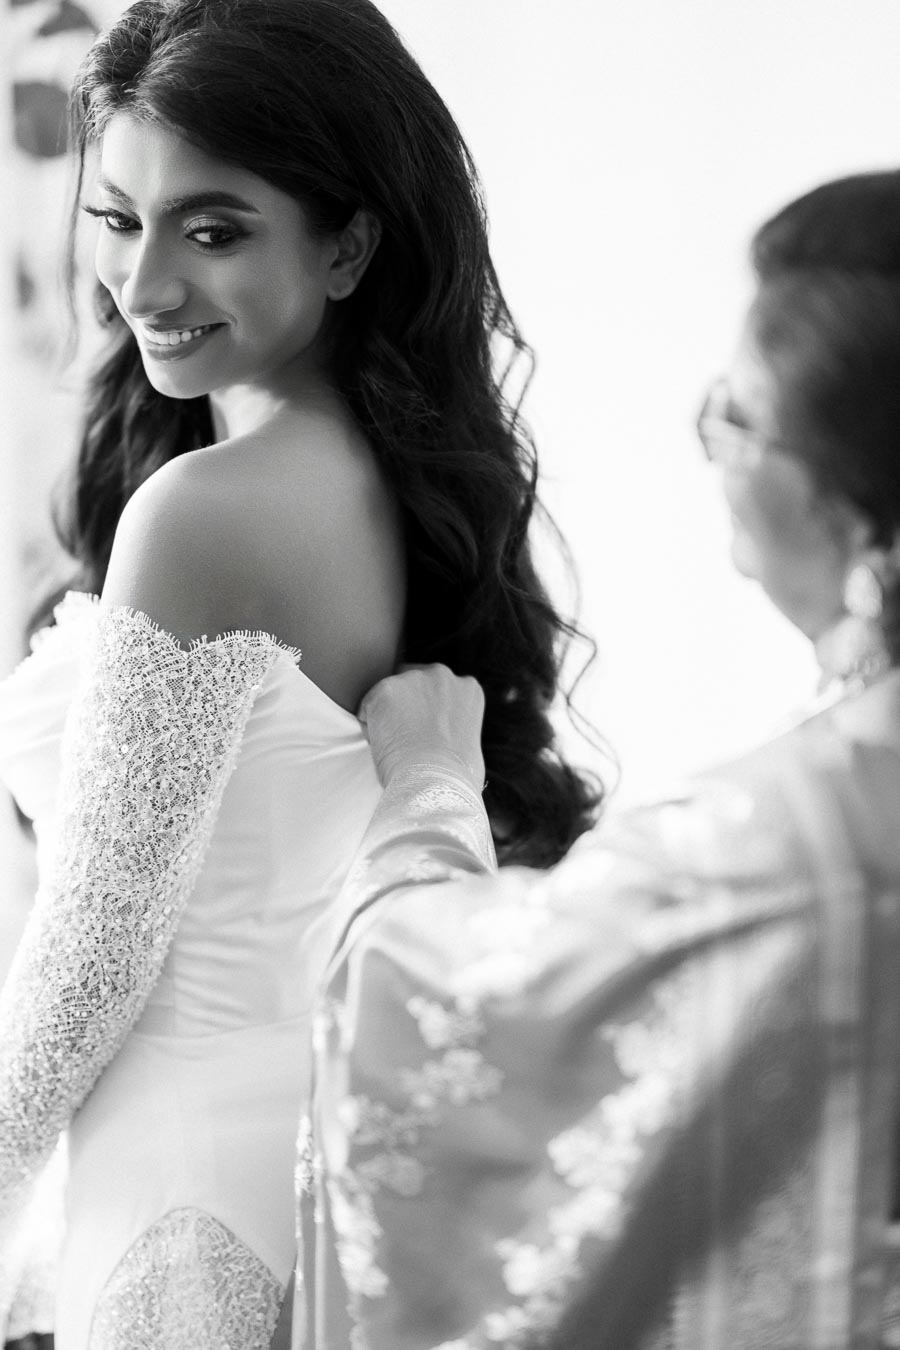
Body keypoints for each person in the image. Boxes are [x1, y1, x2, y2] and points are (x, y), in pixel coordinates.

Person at [0, 0, 599, 1345]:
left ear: (347, 244)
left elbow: (84, 976)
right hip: (274, 1186)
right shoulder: (387, 488)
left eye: (213, 230)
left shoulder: (207, 513)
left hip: (176, 1210)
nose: (143, 283)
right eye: (116, 218)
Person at [293, 171, 900, 1349]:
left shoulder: (794, 841)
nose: (709, 438)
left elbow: (432, 1019)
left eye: (740, 416)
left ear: (856, 510)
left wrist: (427, 794)